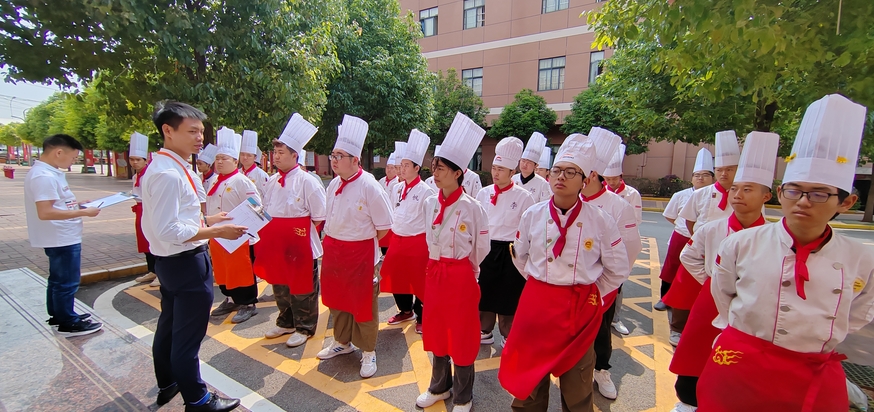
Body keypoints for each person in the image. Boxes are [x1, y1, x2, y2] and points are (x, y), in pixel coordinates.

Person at [697, 94, 874, 411]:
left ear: (845, 203)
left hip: (813, 368)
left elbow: (859, 313)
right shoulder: (741, 244)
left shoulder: (861, 259)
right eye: (795, 190)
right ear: (780, 193)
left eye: (819, 193)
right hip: (742, 359)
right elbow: (723, 293)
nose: (804, 201)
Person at [499, 133, 630, 412]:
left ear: (586, 179)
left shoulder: (601, 221)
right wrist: (541, 284)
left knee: (577, 385)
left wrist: (591, 293)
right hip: (536, 308)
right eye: (557, 170)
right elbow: (519, 257)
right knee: (529, 382)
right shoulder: (532, 215)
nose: (561, 177)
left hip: (578, 309)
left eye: (571, 172)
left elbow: (617, 269)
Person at [141, 101, 246, 411]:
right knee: (187, 336)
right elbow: (168, 230)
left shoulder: (173, 166)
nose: (200, 138)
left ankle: (169, 381)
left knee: (170, 325)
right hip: (185, 261)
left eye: (201, 131)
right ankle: (198, 399)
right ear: (168, 131)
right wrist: (216, 233)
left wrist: (209, 222)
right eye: (192, 131)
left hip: (174, 261)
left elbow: (178, 218)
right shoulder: (167, 174)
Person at [668, 132, 778, 412]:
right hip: (710, 299)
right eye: (735, 188)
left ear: (767, 195)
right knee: (696, 358)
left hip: (753, 306)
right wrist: (712, 280)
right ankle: (689, 402)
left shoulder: (774, 236)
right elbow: (689, 255)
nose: (738, 195)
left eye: (748, 189)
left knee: (740, 366)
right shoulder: (712, 229)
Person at [415, 113, 489, 412]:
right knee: (436, 330)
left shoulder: (473, 208)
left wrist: (463, 270)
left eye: (441, 168)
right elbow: (426, 237)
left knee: (461, 335)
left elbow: (480, 248)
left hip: (459, 275)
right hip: (434, 273)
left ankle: (463, 396)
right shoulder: (429, 202)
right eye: (434, 166)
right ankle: (439, 387)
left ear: (458, 173)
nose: (435, 172)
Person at [317, 114, 393, 379]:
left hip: (360, 255)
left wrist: (361, 242)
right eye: (333, 155)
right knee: (338, 301)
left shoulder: (370, 186)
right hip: (335, 252)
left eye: (340, 155)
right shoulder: (333, 185)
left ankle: (369, 351)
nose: (334, 160)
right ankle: (342, 342)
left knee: (363, 305)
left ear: (356, 160)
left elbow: (384, 226)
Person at [581, 127, 642, 400]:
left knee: (601, 332)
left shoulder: (618, 206)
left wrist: (606, 285)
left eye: (574, 172)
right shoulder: (567, 202)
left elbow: (630, 249)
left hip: (601, 287)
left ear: (591, 175)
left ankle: (601, 369)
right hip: (569, 285)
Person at [256, 114, 325, 348]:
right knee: (280, 284)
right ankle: (285, 321)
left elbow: (319, 215)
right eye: (275, 153)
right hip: (278, 244)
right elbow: (267, 209)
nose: (276, 157)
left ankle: (305, 326)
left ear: (295, 155)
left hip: (300, 243)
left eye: (281, 153)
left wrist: (297, 235)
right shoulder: (272, 180)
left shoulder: (308, 181)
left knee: (303, 287)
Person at [24, 134, 103, 336]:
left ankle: (59, 314)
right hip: (61, 237)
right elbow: (46, 212)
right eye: (72, 158)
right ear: (58, 152)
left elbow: (55, 205)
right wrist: (83, 212)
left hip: (61, 235)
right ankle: (68, 321)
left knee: (58, 279)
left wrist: (76, 205)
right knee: (67, 280)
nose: (73, 162)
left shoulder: (47, 173)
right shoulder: (44, 176)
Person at [666, 131, 740, 345]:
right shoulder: (701, 194)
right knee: (685, 294)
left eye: (729, 170)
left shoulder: (742, 195)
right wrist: (700, 240)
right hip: (700, 252)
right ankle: (677, 329)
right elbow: (688, 220)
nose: (724, 174)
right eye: (720, 170)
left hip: (731, 254)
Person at [475, 137, 535, 347]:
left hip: (511, 251)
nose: (496, 173)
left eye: (501, 169)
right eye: (494, 168)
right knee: (486, 289)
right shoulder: (483, 193)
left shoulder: (524, 196)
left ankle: (508, 332)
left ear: (512, 173)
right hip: (487, 248)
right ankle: (484, 329)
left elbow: (528, 229)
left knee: (510, 293)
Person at [205, 127, 261, 324]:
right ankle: (230, 298)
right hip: (217, 233)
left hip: (238, 235)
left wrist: (243, 224)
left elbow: (257, 206)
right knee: (222, 268)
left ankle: (247, 303)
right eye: (218, 158)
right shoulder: (213, 180)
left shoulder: (241, 182)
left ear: (235, 162)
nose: (219, 162)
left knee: (241, 270)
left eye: (224, 158)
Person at [381, 130, 434, 334]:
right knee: (395, 276)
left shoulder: (425, 191)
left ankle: (422, 315)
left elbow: (430, 222)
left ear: (416, 168)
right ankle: (405, 310)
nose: (400, 169)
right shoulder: (396, 188)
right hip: (398, 238)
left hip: (418, 241)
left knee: (420, 280)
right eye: (400, 165)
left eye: (405, 166)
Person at [656, 149, 714, 311]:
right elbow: (669, 215)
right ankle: (665, 298)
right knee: (671, 269)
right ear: (691, 178)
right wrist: (682, 226)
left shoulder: (717, 195)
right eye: (697, 175)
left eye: (705, 175)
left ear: (712, 178)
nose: (700, 178)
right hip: (682, 236)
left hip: (707, 240)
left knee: (698, 272)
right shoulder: (681, 195)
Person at [129, 132, 160, 287]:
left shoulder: (151, 175)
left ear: (145, 160)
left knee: (153, 240)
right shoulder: (136, 177)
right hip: (140, 210)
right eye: (132, 159)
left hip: (150, 210)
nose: (134, 163)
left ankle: (160, 273)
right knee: (144, 242)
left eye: (137, 160)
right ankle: (152, 270)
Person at [602, 144, 643, 225]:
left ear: (621, 176)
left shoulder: (632, 193)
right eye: (608, 179)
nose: (611, 182)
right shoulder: (602, 193)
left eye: (614, 178)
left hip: (626, 233)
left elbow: (637, 218)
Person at [511, 132, 552, 202]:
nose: (525, 164)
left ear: (536, 166)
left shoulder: (542, 184)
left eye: (529, 162)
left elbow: (544, 205)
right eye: (523, 161)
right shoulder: (512, 179)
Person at [240, 130, 269, 196]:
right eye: (242, 154)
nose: (245, 157)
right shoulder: (238, 173)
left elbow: (267, 196)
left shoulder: (261, 175)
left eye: (248, 155)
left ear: (255, 157)